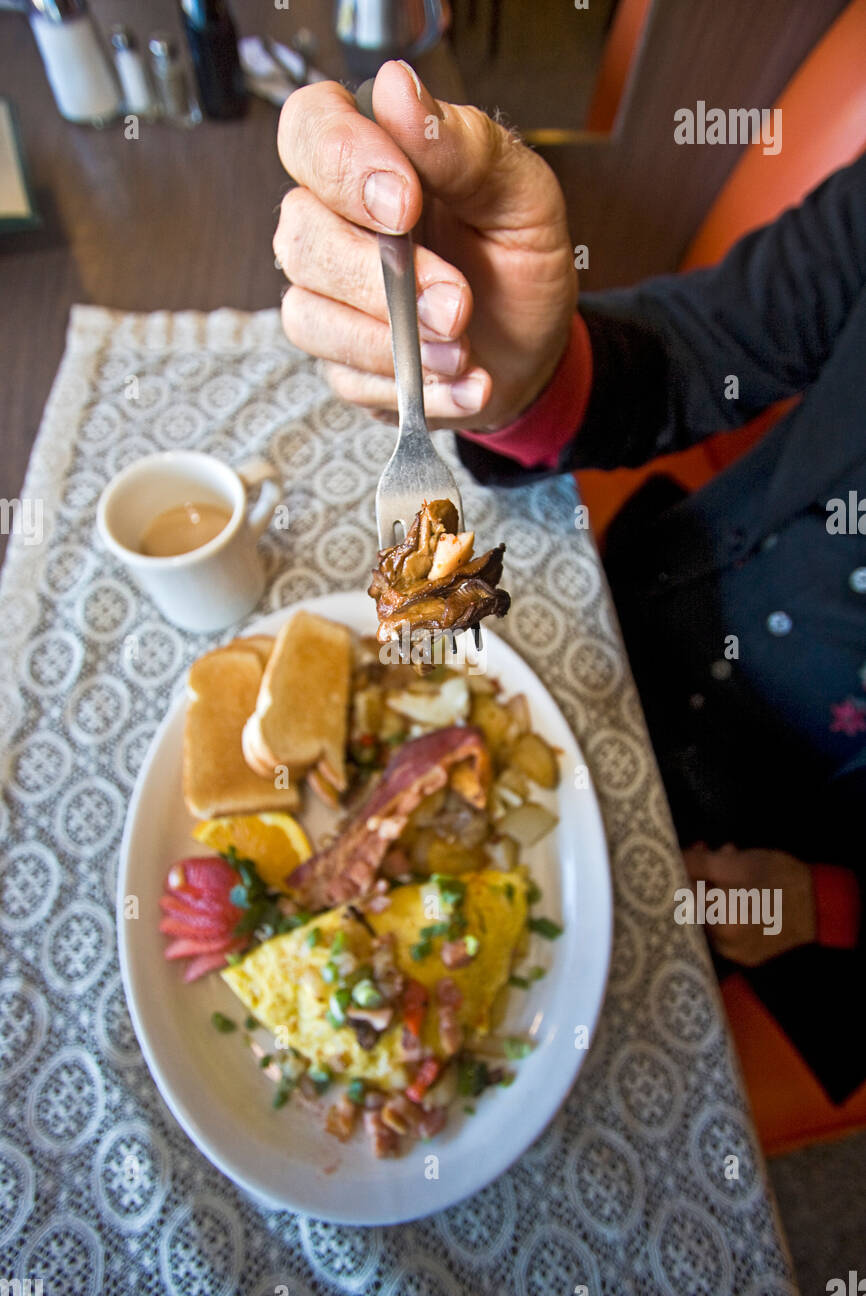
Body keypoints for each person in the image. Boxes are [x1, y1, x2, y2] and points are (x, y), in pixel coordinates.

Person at [272, 61, 865, 1100]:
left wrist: (825, 903)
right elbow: (714, 345)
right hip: (639, 601)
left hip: (776, 849)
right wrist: (526, 368)